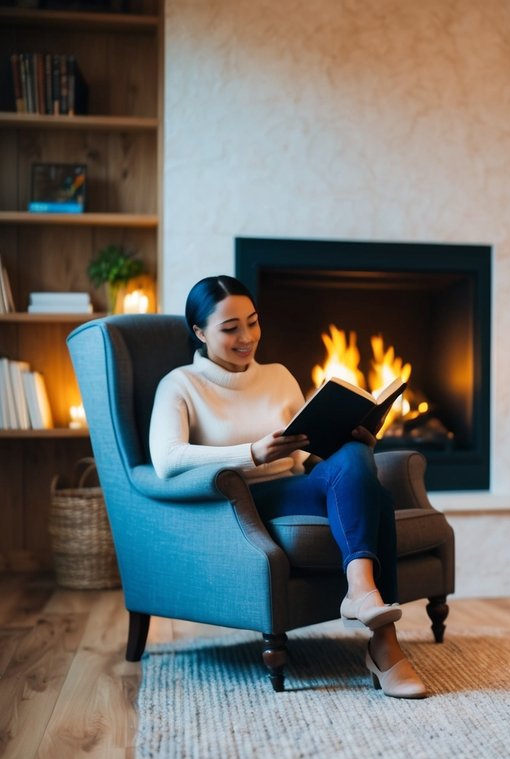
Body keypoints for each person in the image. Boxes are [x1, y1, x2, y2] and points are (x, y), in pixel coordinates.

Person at [149, 275, 426, 699]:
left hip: (293, 486)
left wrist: (356, 443)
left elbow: (308, 455)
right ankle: (384, 649)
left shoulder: (277, 376)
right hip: (241, 503)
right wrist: (252, 453)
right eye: (230, 329)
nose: (247, 337)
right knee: (378, 499)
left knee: (355, 459)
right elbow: (167, 460)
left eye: (253, 322)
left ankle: (361, 590)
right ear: (200, 332)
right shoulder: (180, 384)